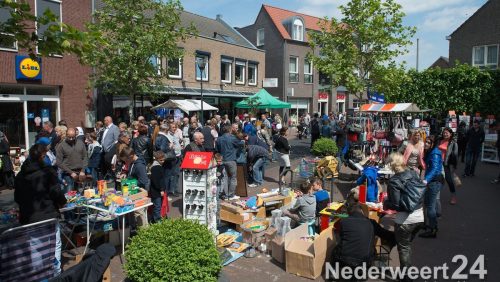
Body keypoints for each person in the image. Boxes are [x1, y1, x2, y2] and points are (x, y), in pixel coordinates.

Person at [14, 144, 67, 274]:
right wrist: (62, 202)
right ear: (43, 156)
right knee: (54, 244)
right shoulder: (47, 171)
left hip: (29, 216)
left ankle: (39, 274)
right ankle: (55, 273)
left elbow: (17, 197)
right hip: (47, 215)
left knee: (35, 246)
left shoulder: (21, 175)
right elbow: (56, 192)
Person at [385, 153, 425, 281]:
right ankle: (405, 273)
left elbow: (396, 205)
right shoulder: (413, 173)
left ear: (391, 165)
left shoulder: (394, 181)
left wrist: (386, 202)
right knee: (406, 245)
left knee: (404, 248)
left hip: (405, 220)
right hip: (419, 217)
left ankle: (406, 277)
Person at [118, 147, 149, 228]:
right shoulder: (133, 162)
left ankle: (144, 232)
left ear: (131, 156)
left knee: (139, 213)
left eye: (126, 160)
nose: (125, 162)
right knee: (135, 213)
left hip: (139, 194)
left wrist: (131, 183)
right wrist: (126, 175)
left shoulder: (139, 165)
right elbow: (132, 174)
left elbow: (144, 180)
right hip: (134, 192)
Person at [420, 136, 444, 238]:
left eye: (429, 142)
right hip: (432, 181)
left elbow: (434, 169)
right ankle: (429, 225)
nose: (426, 144)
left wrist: (426, 180)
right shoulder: (430, 151)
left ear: (433, 144)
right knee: (427, 203)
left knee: (430, 206)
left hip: (435, 181)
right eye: (426, 142)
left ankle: (432, 229)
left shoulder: (435, 153)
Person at [216, 125, 243, 200]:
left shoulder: (219, 139)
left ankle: (225, 194)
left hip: (222, 160)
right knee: (233, 178)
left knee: (225, 178)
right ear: (230, 130)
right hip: (231, 159)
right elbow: (240, 143)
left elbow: (217, 150)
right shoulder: (232, 137)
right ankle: (231, 195)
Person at [438, 127, 458, 205]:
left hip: (445, 164)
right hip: (437, 162)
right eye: (444, 132)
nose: (445, 134)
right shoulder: (439, 140)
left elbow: (455, 155)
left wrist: (454, 166)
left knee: (449, 180)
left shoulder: (453, 143)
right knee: (436, 179)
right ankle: (435, 196)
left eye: (447, 133)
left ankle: (453, 196)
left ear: (451, 134)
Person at [150, 151, 166, 221]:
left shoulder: (156, 166)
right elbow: (156, 181)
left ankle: (155, 218)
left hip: (155, 190)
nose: (163, 161)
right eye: (161, 160)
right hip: (156, 191)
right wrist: (161, 189)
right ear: (156, 159)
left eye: (163, 159)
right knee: (157, 206)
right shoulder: (156, 167)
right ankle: (157, 220)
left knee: (157, 205)